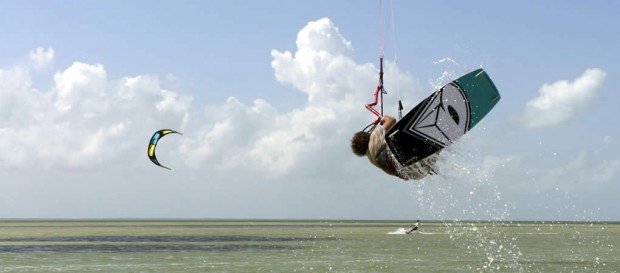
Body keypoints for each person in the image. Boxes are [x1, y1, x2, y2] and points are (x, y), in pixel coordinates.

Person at [350, 115, 438, 180]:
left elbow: (399, 175)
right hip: (407, 156)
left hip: (415, 174)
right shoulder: (373, 137)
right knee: (396, 136)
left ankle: (434, 150)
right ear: (366, 136)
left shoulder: (372, 160)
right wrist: (382, 119)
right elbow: (392, 120)